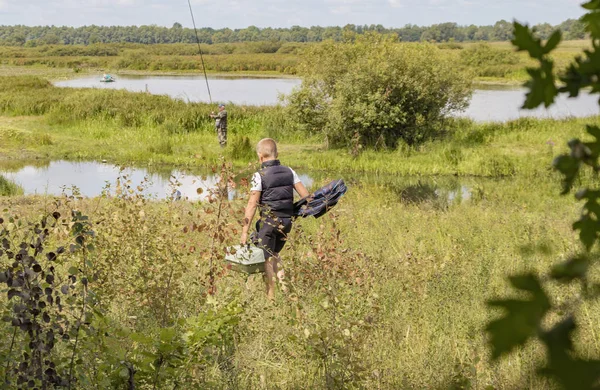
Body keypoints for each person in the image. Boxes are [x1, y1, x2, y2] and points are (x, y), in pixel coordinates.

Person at [240, 138, 310, 299]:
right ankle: (288, 294)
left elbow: (252, 204)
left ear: (260, 156)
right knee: (275, 254)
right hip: (286, 223)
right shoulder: (290, 171)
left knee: (267, 260)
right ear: (277, 153)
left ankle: (270, 299)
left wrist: (244, 232)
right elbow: (305, 196)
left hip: (268, 224)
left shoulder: (259, 175)